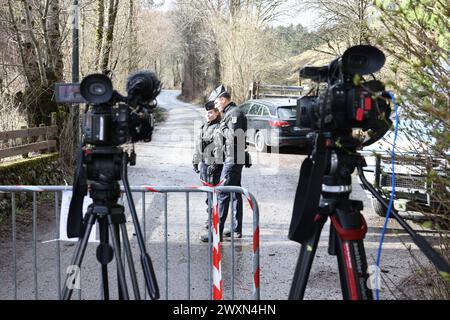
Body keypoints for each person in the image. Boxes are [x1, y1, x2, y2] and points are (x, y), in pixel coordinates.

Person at [200, 85, 249, 242]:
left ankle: (217, 232)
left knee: (222, 192)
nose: (215, 106)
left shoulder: (234, 114)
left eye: (216, 102)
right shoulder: (229, 113)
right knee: (234, 192)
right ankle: (236, 229)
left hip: (233, 158)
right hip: (233, 157)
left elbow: (234, 137)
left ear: (223, 99)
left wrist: (221, 128)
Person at [193, 101, 223, 228]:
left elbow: (219, 147)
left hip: (213, 165)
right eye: (207, 113)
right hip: (204, 164)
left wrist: (215, 164)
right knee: (207, 193)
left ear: (216, 113)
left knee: (214, 193)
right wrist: (195, 161)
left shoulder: (219, 127)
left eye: (211, 112)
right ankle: (210, 217)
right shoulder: (204, 126)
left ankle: (214, 220)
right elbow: (198, 145)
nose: (208, 115)